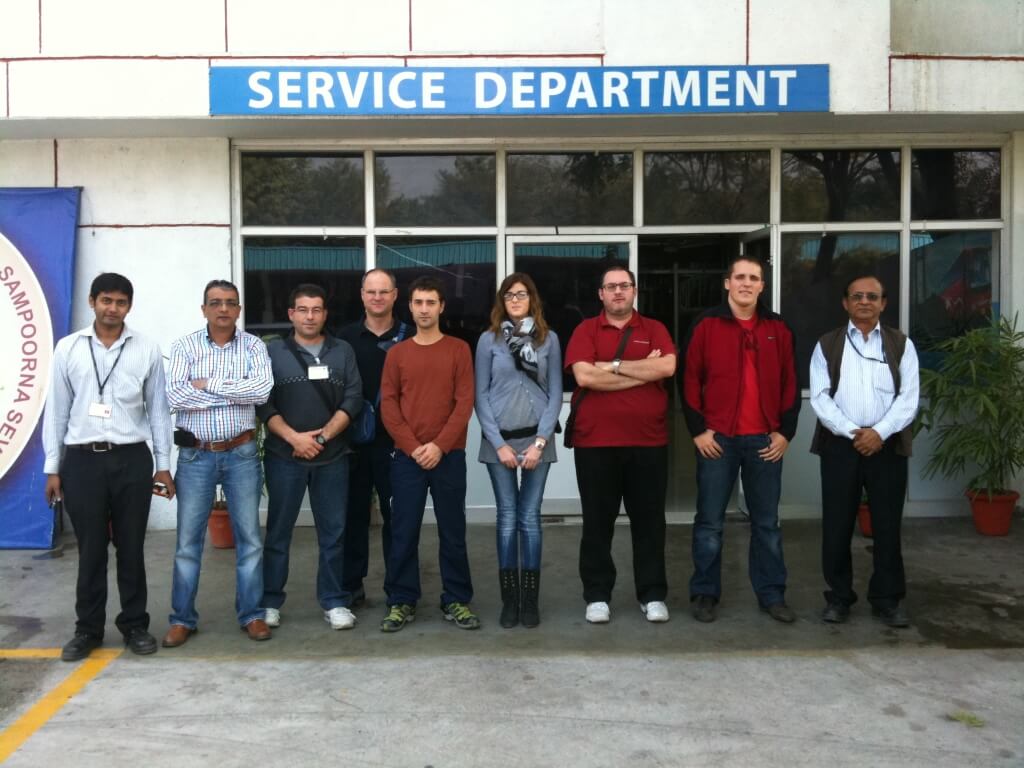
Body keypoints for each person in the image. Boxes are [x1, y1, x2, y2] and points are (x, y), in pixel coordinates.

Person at [42, 272, 174, 661]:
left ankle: (135, 625)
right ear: (92, 301)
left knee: (131, 547)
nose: (112, 308)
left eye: (120, 302)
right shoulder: (68, 349)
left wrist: (163, 466)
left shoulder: (146, 348)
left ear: (129, 306)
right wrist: (54, 467)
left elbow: (159, 412)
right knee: (91, 550)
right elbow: (57, 411)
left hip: (132, 459)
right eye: (106, 301)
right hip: (82, 461)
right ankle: (88, 630)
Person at [682, 255, 799, 624]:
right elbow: (688, 379)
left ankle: (772, 594)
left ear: (762, 286)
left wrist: (785, 432)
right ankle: (704, 593)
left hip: (765, 441)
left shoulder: (778, 329)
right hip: (719, 440)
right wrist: (698, 430)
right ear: (727, 283)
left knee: (767, 524)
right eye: (740, 277)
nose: (747, 283)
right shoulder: (706, 325)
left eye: (754, 278)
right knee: (710, 522)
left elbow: (790, 385)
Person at [162, 279, 273, 647]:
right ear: (204, 308)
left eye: (230, 303)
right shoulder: (183, 346)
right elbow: (175, 395)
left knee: (250, 541)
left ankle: (252, 615)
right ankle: (182, 619)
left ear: (239, 310)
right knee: (187, 544)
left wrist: (206, 383)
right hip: (196, 455)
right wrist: (232, 389)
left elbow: (260, 391)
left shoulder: (255, 346)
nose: (223, 309)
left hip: (241, 454)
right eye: (215, 302)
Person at [564, 265, 676, 625]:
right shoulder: (585, 329)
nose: (617, 292)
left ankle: (653, 594)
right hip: (595, 443)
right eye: (610, 287)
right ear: (600, 294)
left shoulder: (655, 329)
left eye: (624, 286)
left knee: (650, 523)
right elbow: (584, 376)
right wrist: (640, 369)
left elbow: (668, 368)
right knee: (598, 523)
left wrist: (609, 367)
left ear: (634, 291)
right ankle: (597, 595)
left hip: (648, 443)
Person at [810, 275, 919, 628]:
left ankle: (887, 599)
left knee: (887, 526)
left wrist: (879, 433)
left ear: (884, 303)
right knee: (837, 525)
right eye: (857, 296)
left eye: (872, 296)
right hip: (841, 446)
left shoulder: (901, 345)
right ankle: (839, 598)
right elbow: (820, 397)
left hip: (886, 448)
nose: (865, 301)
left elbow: (909, 400)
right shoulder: (827, 345)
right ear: (845, 302)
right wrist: (853, 432)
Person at [257, 284, 364, 630]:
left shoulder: (342, 350)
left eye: (316, 309)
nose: (310, 316)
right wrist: (294, 439)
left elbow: (353, 397)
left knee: (333, 533)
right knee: (278, 533)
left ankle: (334, 602)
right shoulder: (272, 352)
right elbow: (263, 402)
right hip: (283, 457)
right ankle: (270, 601)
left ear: (325, 314)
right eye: (302, 309)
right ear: (291, 314)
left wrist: (320, 437)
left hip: (332, 457)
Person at [379, 276, 478, 632]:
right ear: (410, 306)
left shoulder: (458, 350)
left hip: (448, 456)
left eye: (431, 303)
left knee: (453, 530)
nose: (424, 309)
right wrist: (414, 447)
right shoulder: (397, 354)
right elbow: (389, 405)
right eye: (418, 302)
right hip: (407, 459)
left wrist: (439, 445)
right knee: (404, 530)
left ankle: (456, 599)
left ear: (441, 307)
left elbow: (464, 402)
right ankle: (401, 600)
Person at [475, 273, 562, 629]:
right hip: (500, 443)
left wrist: (541, 442)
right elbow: (480, 394)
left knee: (530, 519)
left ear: (532, 299)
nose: (515, 300)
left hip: (538, 442)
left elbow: (556, 392)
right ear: (502, 301)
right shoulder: (488, 341)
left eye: (521, 294)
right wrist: (499, 445)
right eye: (509, 295)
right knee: (508, 518)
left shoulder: (549, 340)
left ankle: (530, 600)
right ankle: (510, 600)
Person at [338, 269, 409, 605]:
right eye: (371, 291)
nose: (377, 298)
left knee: (398, 521)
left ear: (395, 295)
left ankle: (399, 589)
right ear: (362, 295)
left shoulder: (410, 337)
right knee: (353, 518)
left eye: (384, 291)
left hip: (398, 444)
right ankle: (351, 586)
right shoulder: (343, 338)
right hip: (352, 443)